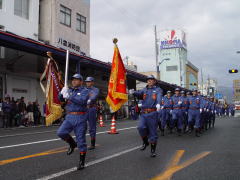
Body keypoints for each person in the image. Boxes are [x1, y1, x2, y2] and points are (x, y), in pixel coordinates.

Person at [57, 74, 89, 170]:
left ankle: (81, 162)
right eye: (73, 80)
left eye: (76, 80)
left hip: (80, 117)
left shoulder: (85, 91)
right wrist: (61, 93)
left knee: (81, 141)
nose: (74, 81)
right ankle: (72, 144)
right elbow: (61, 100)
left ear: (81, 82)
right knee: (61, 132)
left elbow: (82, 101)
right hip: (70, 116)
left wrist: (69, 96)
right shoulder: (69, 90)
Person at [129, 75, 162, 157]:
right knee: (140, 127)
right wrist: (133, 92)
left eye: (151, 80)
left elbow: (159, 97)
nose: (150, 81)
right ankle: (145, 142)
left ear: (154, 81)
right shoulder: (144, 90)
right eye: (148, 80)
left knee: (153, 133)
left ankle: (152, 151)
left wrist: (158, 103)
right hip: (143, 113)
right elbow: (139, 93)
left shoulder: (158, 89)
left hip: (153, 113)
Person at [85, 77, 99, 150]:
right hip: (83, 109)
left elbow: (94, 96)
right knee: (80, 126)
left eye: (89, 81)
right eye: (87, 82)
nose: (87, 83)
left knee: (92, 127)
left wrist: (89, 100)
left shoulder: (95, 89)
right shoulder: (84, 89)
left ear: (92, 82)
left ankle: (92, 144)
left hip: (91, 109)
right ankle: (80, 142)